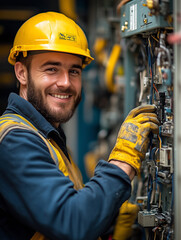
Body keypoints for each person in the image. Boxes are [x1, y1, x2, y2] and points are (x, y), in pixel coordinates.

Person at [0, 11, 159, 240]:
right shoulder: (15, 141)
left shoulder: (46, 135)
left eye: (74, 71)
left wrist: (107, 227)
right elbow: (72, 224)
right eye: (51, 69)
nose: (65, 82)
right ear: (21, 73)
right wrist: (124, 159)